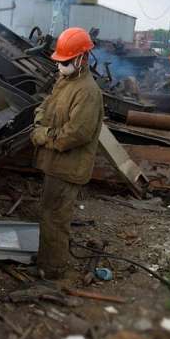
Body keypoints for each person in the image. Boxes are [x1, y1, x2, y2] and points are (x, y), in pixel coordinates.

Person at [30, 27, 104, 280]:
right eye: (60, 61)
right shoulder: (66, 81)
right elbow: (46, 105)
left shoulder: (87, 91)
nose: (61, 65)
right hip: (56, 164)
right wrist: (40, 119)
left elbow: (77, 133)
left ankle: (52, 271)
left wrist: (43, 135)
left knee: (55, 219)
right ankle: (46, 261)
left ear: (83, 58)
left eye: (66, 61)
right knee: (49, 214)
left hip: (68, 167)